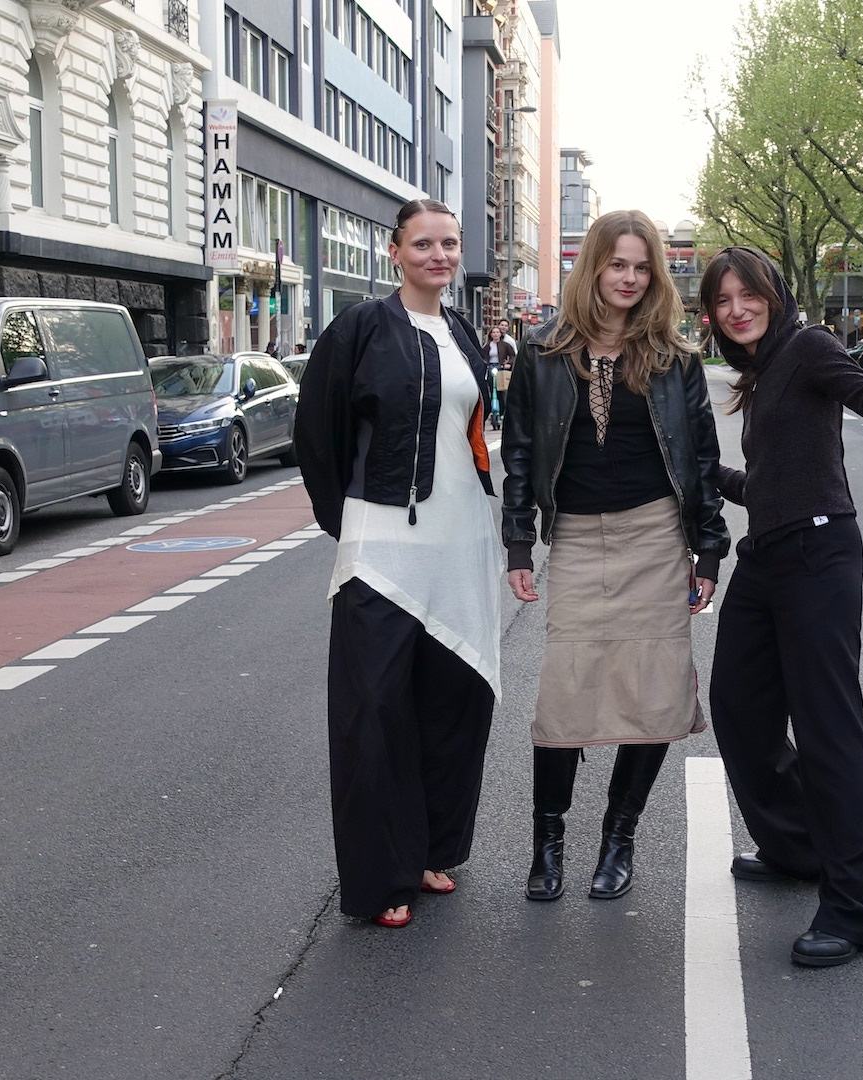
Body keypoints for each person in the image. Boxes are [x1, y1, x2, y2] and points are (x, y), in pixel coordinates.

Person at [502, 209, 728, 903]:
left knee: (653, 694)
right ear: (592, 267)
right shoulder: (542, 352)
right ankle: (547, 844)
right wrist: (517, 542)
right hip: (575, 537)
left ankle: (618, 838)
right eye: (617, 264)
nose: (629, 278)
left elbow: (702, 458)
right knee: (565, 693)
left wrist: (709, 550)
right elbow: (520, 454)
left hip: (656, 535)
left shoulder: (675, 358)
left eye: (641, 267)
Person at [293, 198, 504, 929]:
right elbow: (316, 433)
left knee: (453, 702)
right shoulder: (360, 328)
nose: (439, 256)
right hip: (381, 551)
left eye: (449, 243)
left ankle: (430, 850)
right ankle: (381, 876)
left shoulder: (464, 332)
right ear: (395, 252)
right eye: (423, 244)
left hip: (460, 544)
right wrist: (351, 520)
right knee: (374, 712)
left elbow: (474, 432)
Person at [700, 245, 863, 969]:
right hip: (768, 554)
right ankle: (798, 848)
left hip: (819, 555)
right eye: (723, 301)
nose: (737, 310)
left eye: (748, 295)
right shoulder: (763, 370)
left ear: (774, 293)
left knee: (828, 730)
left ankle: (856, 909)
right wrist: (705, 473)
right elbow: (770, 483)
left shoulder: (811, 347)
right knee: (739, 708)